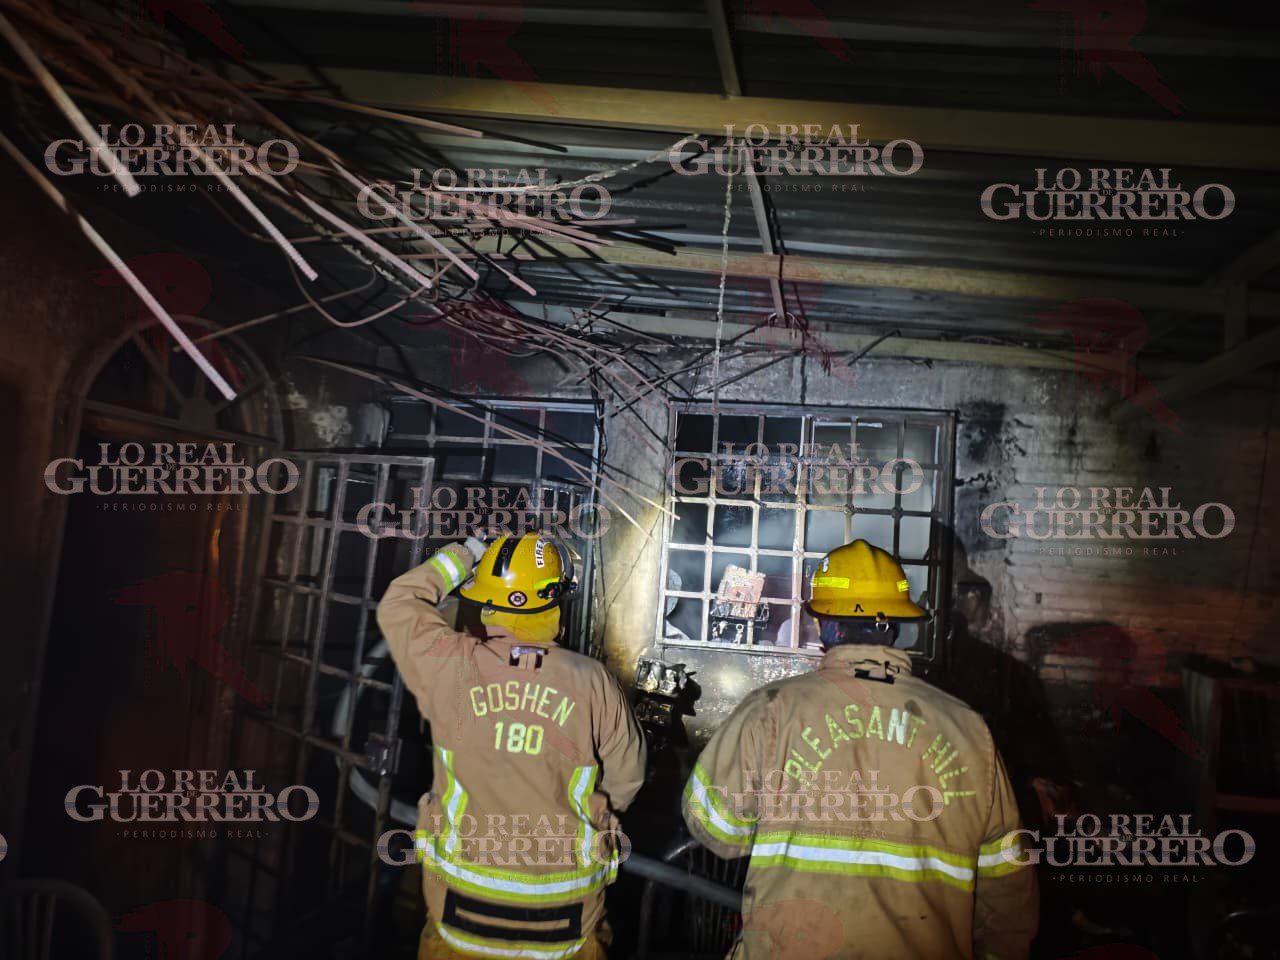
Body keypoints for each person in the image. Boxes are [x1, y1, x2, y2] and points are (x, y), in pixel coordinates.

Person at [682, 539, 1038, 959]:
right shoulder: (967, 729)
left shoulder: (770, 711)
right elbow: (1008, 880)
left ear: (823, 625)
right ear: (894, 627)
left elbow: (716, 828)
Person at [378, 533, 646, 960]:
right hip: (565, 924)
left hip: (460, 919)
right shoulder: (591, 679)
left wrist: (463, 554)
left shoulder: (451, 665)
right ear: (554, 600)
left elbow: (398, 604)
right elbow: (628, 776)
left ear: (486, 600)